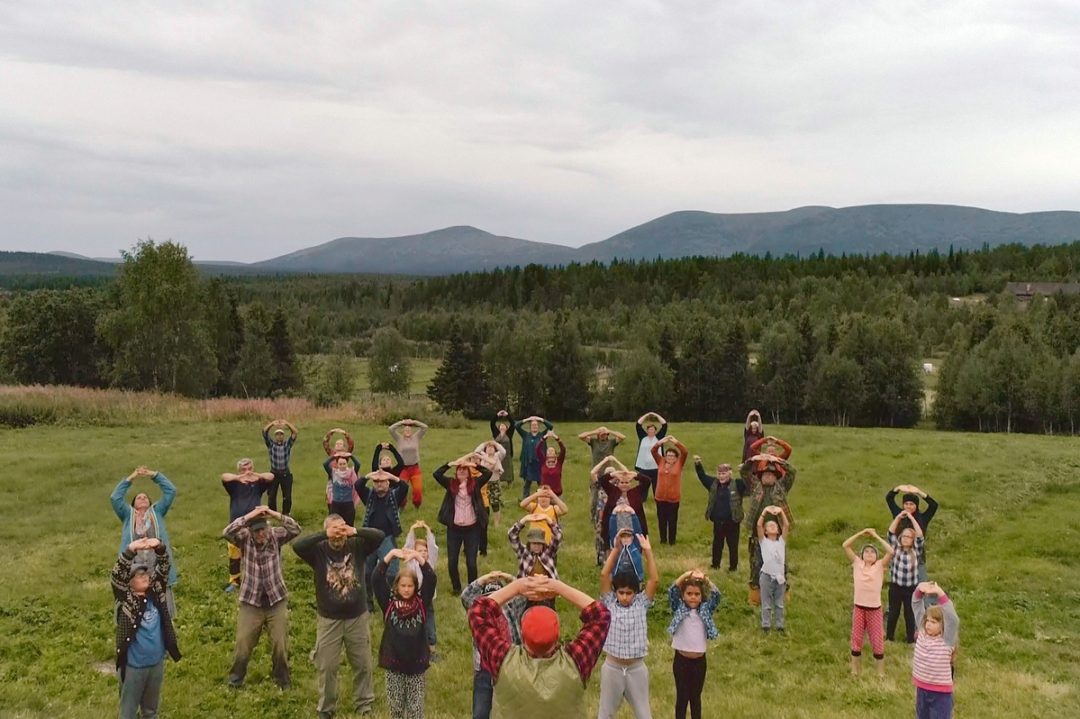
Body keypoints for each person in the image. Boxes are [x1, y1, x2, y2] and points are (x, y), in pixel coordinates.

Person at [468, 576, 611, 718]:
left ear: (523, 636)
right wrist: (557, 587)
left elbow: (478, 611)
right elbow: (600, 615)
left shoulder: (502, 660)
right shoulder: (576, 662)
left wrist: (517, 586)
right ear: (557, 637)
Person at [292, 515, 386, 718]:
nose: (338, 535)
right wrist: (324, 534)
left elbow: (379, 536)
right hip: (329, 619)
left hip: (357, 617)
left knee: (362, 663)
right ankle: (326, 708)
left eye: (341, 530)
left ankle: (364, 703)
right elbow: (297, 546)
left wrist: (355, 531)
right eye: (334, 531)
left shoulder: (357, 545)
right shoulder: (318, 551)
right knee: (327, 666)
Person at [223, 505, 302, 689]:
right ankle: (236, 678)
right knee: (243, 643)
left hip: (276, 600)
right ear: (250, 531)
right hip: (251, 602)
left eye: (263, 530)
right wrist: (250, 515)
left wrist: (274, 514)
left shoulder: (275, 536)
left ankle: (282, 679)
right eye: (257, 531)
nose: (261, 535)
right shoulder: (243, 540)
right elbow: (227, 531)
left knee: (280, 643)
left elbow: (296, 529)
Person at [112, 537, 180, 719]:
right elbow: (117, 576)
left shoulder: (156, 591)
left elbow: (165, 565)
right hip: (135, 667)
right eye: (139, 575)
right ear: (130, 583)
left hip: (156, 664)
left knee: (151, 712)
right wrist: (131, 549)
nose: (145, 577)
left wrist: (158, 547)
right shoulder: (126, 599)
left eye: (146, 574)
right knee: (128, 713)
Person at [598, 533, 658, 719]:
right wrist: (615, 549)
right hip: (612, 667)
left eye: (629, 593)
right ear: (616, 592)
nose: (624, 597)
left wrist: (648, 552)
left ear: (635, 592)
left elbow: (653, 580)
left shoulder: (641, 603)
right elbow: (604, 575)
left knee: (644, 714)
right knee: (605, 713)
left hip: (636, 668)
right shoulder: (609, 603)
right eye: (621, 592)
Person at [372, 548, 437, 719]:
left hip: (417, 664)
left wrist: (417, 556)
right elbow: (376, 578)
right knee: (396, 709)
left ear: (415, 587)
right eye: (403, 585)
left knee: (416, 710)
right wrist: (391, 554)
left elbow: (431, 578)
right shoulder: (389, 603)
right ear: (397, 586)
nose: (407, 589)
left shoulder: (422, 602)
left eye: (410, 586)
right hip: (394, 664)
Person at [111, 466, 178, 617]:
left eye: (145, 497)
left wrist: (153, 474)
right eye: (139, 497)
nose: (142, 498)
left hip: (157, 566)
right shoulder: (128, 515)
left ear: (150, 503)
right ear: (133, 504)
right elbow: (115, 497)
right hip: (136, 567)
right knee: (136, 607)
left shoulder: (157, 512)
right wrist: (132, 477)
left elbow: (171, 491)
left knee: (163, 609)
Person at [461, 571, 523, 719]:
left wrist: (509, 578)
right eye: (489, 598)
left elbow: (523, 593)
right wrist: (483, 580)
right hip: (484, 672)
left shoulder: (511, 608)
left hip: (510, 669)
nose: (493, 602)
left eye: (497, 596)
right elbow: (465, 596)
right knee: (480, 713)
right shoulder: (480, 614)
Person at [740, 453, 797, 603]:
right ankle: (755, 596)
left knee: (781, 564)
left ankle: (782, 594)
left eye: (771, 475)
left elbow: (792, 472)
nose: (768, 477)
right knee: (756, 563)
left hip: (777, 534)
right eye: (765, 474)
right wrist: (752, 460)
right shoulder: (755, 486)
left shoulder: (782, 487)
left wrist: (779, 461)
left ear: (776, 477)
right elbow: (744, 472)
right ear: (761, 476)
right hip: (757, 532)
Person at [434, 454, 492, 594]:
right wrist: (450, 463)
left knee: (471, 562)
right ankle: (456, 588)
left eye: (464, 470)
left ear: (469, 472)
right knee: (452, 561)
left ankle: (472, 588)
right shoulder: (450, 484)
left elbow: (488, 473)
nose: (461, 471)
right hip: (454, 529)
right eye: (459, 470)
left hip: (472, 529)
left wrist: (474, 465)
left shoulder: (476, 483)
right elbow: (436, 474)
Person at [667, 570, 721, 719]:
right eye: (689, 593)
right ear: (683, 596)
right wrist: (686, 575)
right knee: (682, 698)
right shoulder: (678, 608)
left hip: (699, 662)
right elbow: (671, 590)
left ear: (701, 596)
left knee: (695, 698)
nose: (693, 597)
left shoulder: (705, 609)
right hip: (681, 660)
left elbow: (717, 595)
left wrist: (705, 579)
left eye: (697, 594)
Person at [842, 527, 894, 677]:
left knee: (877, 640)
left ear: (876, 557)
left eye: (872, 552)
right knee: (856, 638)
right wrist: (861, 533)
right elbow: (845, 545)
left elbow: (890, 551)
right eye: (866, 551)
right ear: (862, 555)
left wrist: (875, 536)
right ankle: (855, 670)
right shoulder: (857, 564)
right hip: (859, 608)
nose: (869, 554)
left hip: (874, 609)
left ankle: (880, 672)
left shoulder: (879, 566)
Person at [358, 469, 410, 608]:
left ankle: (392, 600)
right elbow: (358, 485)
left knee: (392, 572)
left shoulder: (394, 496)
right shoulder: (369, 496)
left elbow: (404, 487)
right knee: (367, 572)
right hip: (370, 539)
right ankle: (368, 603)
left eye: (382, 481)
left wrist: (391, 476)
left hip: (387, 538)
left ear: (388, 483)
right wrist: (370, 475)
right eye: (376, 482)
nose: (379, 484)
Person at [221, 458, 274, 592]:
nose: (248, 472)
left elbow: (271, 476)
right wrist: (240, 478)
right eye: (244, 469)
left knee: (258, 551)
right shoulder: (234, 485)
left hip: (256, 523)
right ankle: (235, 581)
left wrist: (257, 475)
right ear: (239, 471)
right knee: (234, 553)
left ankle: (260, 579)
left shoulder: (258, 484)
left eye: (250, 469)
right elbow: (224, 476)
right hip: (237, 522)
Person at [912, 582, 960, 719]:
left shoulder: (947, 640)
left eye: (933, 622)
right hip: (922, 689)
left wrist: (940, 593)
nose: (928, 624)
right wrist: (919, 590)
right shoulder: (922, 633)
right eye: (927, 621)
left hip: (941, 694)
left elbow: (953, 619)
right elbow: (916, 604)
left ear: (943, 625)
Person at [693, 457, 747, 571]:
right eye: (720, 473)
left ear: (730, 474)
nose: (721, 476)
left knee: (733, 545)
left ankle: (733, 567)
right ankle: (715, 564)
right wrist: (698, 465)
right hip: (718, 521)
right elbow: (702, 477)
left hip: (732, 521)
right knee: (717, 544)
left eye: (724, 473)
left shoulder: (737, 484)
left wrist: (744, 470)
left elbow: (749, 482)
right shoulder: (713, 484)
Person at [886, 484, 940, 582]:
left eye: (911, 504)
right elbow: (889, 498)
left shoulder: (923, 518)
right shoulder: (898, 514)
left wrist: (919, 492)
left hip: (917, 556)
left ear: (916, 505)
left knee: (921, 584)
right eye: (906, 504)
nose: (908, 506)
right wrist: (897, 489)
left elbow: (933, 505)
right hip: (899, 555)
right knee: (900, 583)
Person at [887, 511, 925, 643]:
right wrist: (898, 517)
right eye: (903, 536)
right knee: (893, 613)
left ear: (912, 539)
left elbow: (920, 534)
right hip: (895, 587)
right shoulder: (895, 548)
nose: (905, 538)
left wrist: (911, 518)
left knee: (910, 614)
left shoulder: (916, 550)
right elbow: (891, 533)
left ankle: (910, 639)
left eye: (908, 537)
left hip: (911, 589)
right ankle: (889, 637)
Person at [403, 520, 440, 656]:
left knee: (429, 622)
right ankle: (415, 647)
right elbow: (408, 545)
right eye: (419, 551)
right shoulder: (411, 562)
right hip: (413, 599)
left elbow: (433, 546)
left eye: (425, 551)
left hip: (428, 599)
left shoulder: (430, 562)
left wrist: (427, 529)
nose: (423, 553)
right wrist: (412, 529)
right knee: (414, 623)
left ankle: (432, 649)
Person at [598, 458, 651, 547]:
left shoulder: (636, 492)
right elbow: (602, 481)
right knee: (614, 548)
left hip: (632, 526)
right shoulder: (612, 491)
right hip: (615, 525)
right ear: (618, 483)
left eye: (627, 482)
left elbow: (647, 481)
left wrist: (635, 475)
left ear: (630, 483)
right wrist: (613, 474)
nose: (624, 485)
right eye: (622, 482)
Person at [756, 506, 790, 634]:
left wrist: (781, 512)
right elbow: (758, 525)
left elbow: (786, 525)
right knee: (766, 602)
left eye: (774, 525)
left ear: (778, 531)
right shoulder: (763, 542)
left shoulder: (781, 542)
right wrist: (764, 511)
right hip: (766, 576)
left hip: (780, 577)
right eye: (769, 525)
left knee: (779, 603)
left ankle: (780, 625)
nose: (772, 526)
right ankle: (766, 625)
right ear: (765, 531)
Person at [651, 435, 688, 544]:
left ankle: (672, 541)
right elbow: (653, 451)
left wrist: (676, 442)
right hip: (660, 497)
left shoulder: (679, 464)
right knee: (661, 520)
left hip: (673, 498)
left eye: (672, 456)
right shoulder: (661, 462)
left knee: (672, 520)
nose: (670, 457)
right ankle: (663, 540)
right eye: (668, 455)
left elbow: (685, 452)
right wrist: (660, 442)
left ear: (676, 457)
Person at [389, 418, 429, 509]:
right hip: (403, 469)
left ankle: (417, 506)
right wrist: (402, 422)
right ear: (403, 431)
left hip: (415, 468)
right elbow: (391, 429)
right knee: (402, 490)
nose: (407, 431)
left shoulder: (416, 437)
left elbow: (425, 427)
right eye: (405, 430)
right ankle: (402, 506)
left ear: (412, 431)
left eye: (409, 430)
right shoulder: (399, 438)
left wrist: (414, 422)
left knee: (417, 490)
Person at [508, 513, 563, 579]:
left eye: (539, 543)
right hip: (527, 586)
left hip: (547, 586)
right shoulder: (523, 552)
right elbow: (512, 535)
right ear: (530, 543)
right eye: (534, 543)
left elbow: (558, 535)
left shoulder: (548, 552)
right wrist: (524, 520)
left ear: (543, 544)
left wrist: (548, 519)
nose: (537, 546)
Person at [263, 419, 298, 515]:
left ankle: (285, 514)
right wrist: (272, 424)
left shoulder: (287, 444)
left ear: (283, 436)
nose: (279, 436)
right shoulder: (271, 445)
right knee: (271, 496)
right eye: (277, 434)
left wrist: (287, 423)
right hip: (274, 473)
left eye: (281, 434)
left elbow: (295, 432)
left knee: (287, 496)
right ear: (275, 436)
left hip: (285, 473)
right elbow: (264, 432)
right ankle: (273, 514)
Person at [514, 415, 553, 499]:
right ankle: (526, 500)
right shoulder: (526, 435)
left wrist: (540, 419)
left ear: (538, 427)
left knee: (541, 483)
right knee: (527, 483)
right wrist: (528, 419)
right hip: (529, 463)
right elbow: (516, 425)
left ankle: (543, 498)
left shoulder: (542, 435)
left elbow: (550, 426)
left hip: (540, 464)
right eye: (532, 425)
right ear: (530, 427)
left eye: (536, 425)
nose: (534, 426)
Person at [633, 411, 668, 500]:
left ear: (655, 431)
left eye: (653, 430)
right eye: (649, 430)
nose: (651, 431)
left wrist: (656, 415)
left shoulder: (659, 438)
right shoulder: (643, 437)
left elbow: (664, 424)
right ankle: (642, 500)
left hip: (656, 467)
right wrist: (646, 415)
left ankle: (657, 499)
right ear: (647, 430)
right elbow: (638, 424)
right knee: (643, 485)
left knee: (656, 486)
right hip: (643, 467)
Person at [609, 504, 646, 581]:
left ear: (632, 537)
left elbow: (637, 531)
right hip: (618, 577)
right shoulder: (617, 546)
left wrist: (633, 513)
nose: (626, 539)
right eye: (623, 536)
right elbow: (612, 531)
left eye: (628, 536)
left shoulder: (635, 546)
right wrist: (614, 514)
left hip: (634, 578)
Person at [325, 454, 362, 527]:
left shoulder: (352, 473)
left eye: (344, 464)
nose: (342, 466)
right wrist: (334, 456)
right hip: (335, 504)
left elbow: (358, 464)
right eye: (340, 464)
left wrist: (351, 456)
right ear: (337, 465)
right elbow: (325, 464)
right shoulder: (333, 473)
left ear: (347, 464)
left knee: (349, 525)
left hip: (348, 504)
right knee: (333, 524)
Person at [536, 431, 567, 496]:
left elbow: (563, 449)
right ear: (546, 454)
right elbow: (537, 449)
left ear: (555, 454)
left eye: (552, 450)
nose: (550, 451)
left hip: (557, 493)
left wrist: (556, 438)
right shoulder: (543, 461)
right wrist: (545, 437)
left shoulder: (559, 462)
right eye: (548, 450)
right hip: (545, 493)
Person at [490, 410, 516, 487]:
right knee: (497, 468)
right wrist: (497, 415)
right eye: (501, 425)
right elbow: (492, 423)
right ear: (498, 427)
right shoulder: (496, 433)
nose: (502, 426)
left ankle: (509, 483)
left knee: (508, 469)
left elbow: (513, 423)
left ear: (506, 428)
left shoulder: (509, 434)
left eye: (504, 425)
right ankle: (498, 482)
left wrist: (507, 415)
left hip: (507, 455)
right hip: (497, 455)